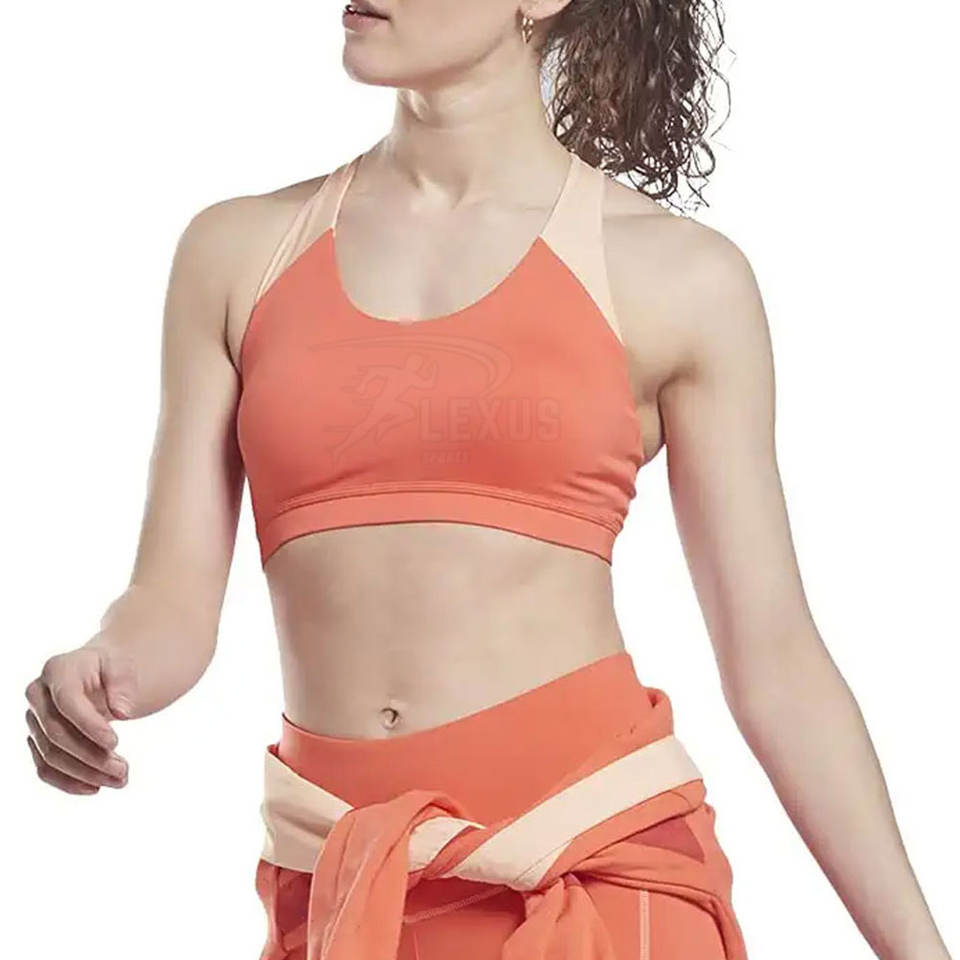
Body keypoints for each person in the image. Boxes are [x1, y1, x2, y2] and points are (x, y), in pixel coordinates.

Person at [23, 2, 952, 958]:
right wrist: (105, 669)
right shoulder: (238, 252)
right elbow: (170, 603)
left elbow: (775, 658)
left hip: (594, 868)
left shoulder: (676, 276)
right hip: (343, 880)